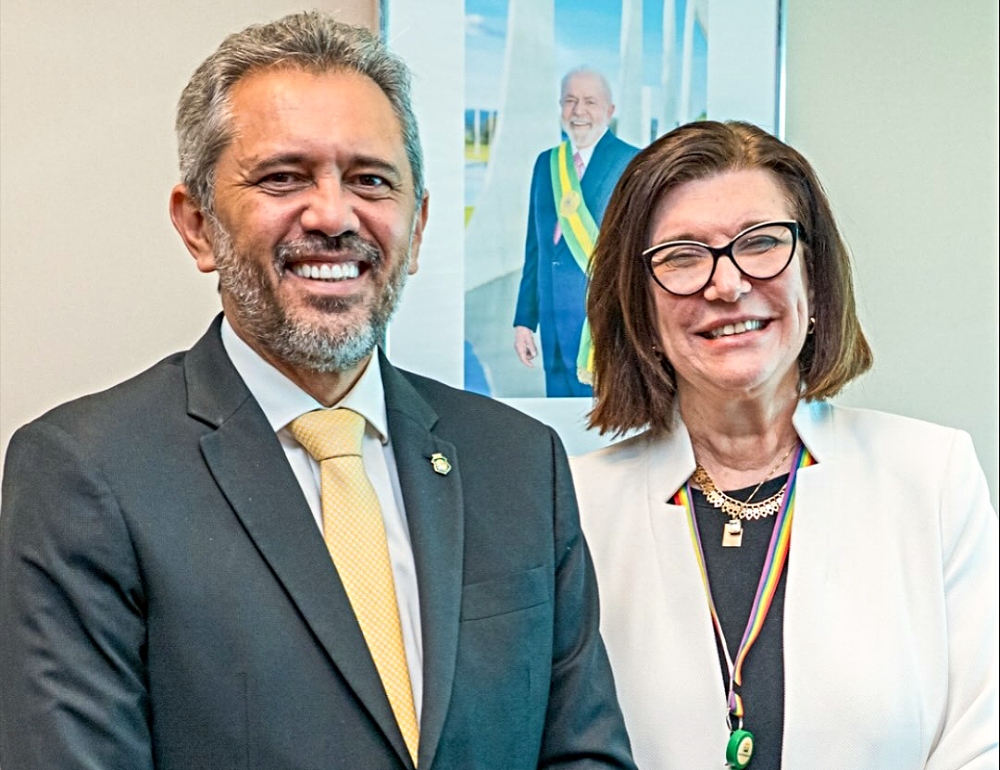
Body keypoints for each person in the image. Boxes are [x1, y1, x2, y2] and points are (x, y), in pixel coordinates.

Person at [0, 13, 636, 770]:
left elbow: (584, 753)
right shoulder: (85, 474)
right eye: (283, 177)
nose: (334, 216)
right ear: (198, 225)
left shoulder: (520, 462)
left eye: (370, 180)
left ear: (418, 227)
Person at [572, 120, 998, 769]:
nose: (726, 284)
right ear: (641, 309)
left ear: (814, 278)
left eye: (761, 243)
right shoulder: (575, 507)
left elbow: (983, 739)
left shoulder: (931, 476)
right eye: (682, 256)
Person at [513, 67, 639, 398]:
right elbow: (536, 250)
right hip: (551, 322)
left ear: (610, 110)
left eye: (590, 102)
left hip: (601, 325)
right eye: (569, 101)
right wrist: (524, 321)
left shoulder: (633, 163)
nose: (578, 111)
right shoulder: (546, 164)